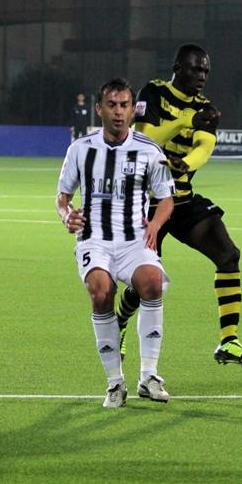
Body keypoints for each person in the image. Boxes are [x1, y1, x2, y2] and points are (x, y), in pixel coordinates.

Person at [115, 44, 242, 366]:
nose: (202, 76)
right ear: (178, 68)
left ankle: (229, 341)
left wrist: (186, 163)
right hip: (144, 204)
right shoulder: (153, 93)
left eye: (206, 71)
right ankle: (119, 322)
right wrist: (185, 121)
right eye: (196, 69)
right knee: (146, 282)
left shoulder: (205, 108)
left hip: (180, 200)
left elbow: (204, 146)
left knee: (228, 254)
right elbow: (146, 139)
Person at [57, 78, 175, 408]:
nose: (119, 112)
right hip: (94, 238)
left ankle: (149, 376)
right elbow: (63, 197)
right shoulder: (80, 149)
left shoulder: (149, 150)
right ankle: (115, 383)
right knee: (100, 291)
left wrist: (156, 224)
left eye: (124, 105)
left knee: (152, 283)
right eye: (112, 105)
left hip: (134, 239)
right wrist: (66, 215)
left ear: (133, 110)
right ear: (100, 109)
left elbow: (166, 198)